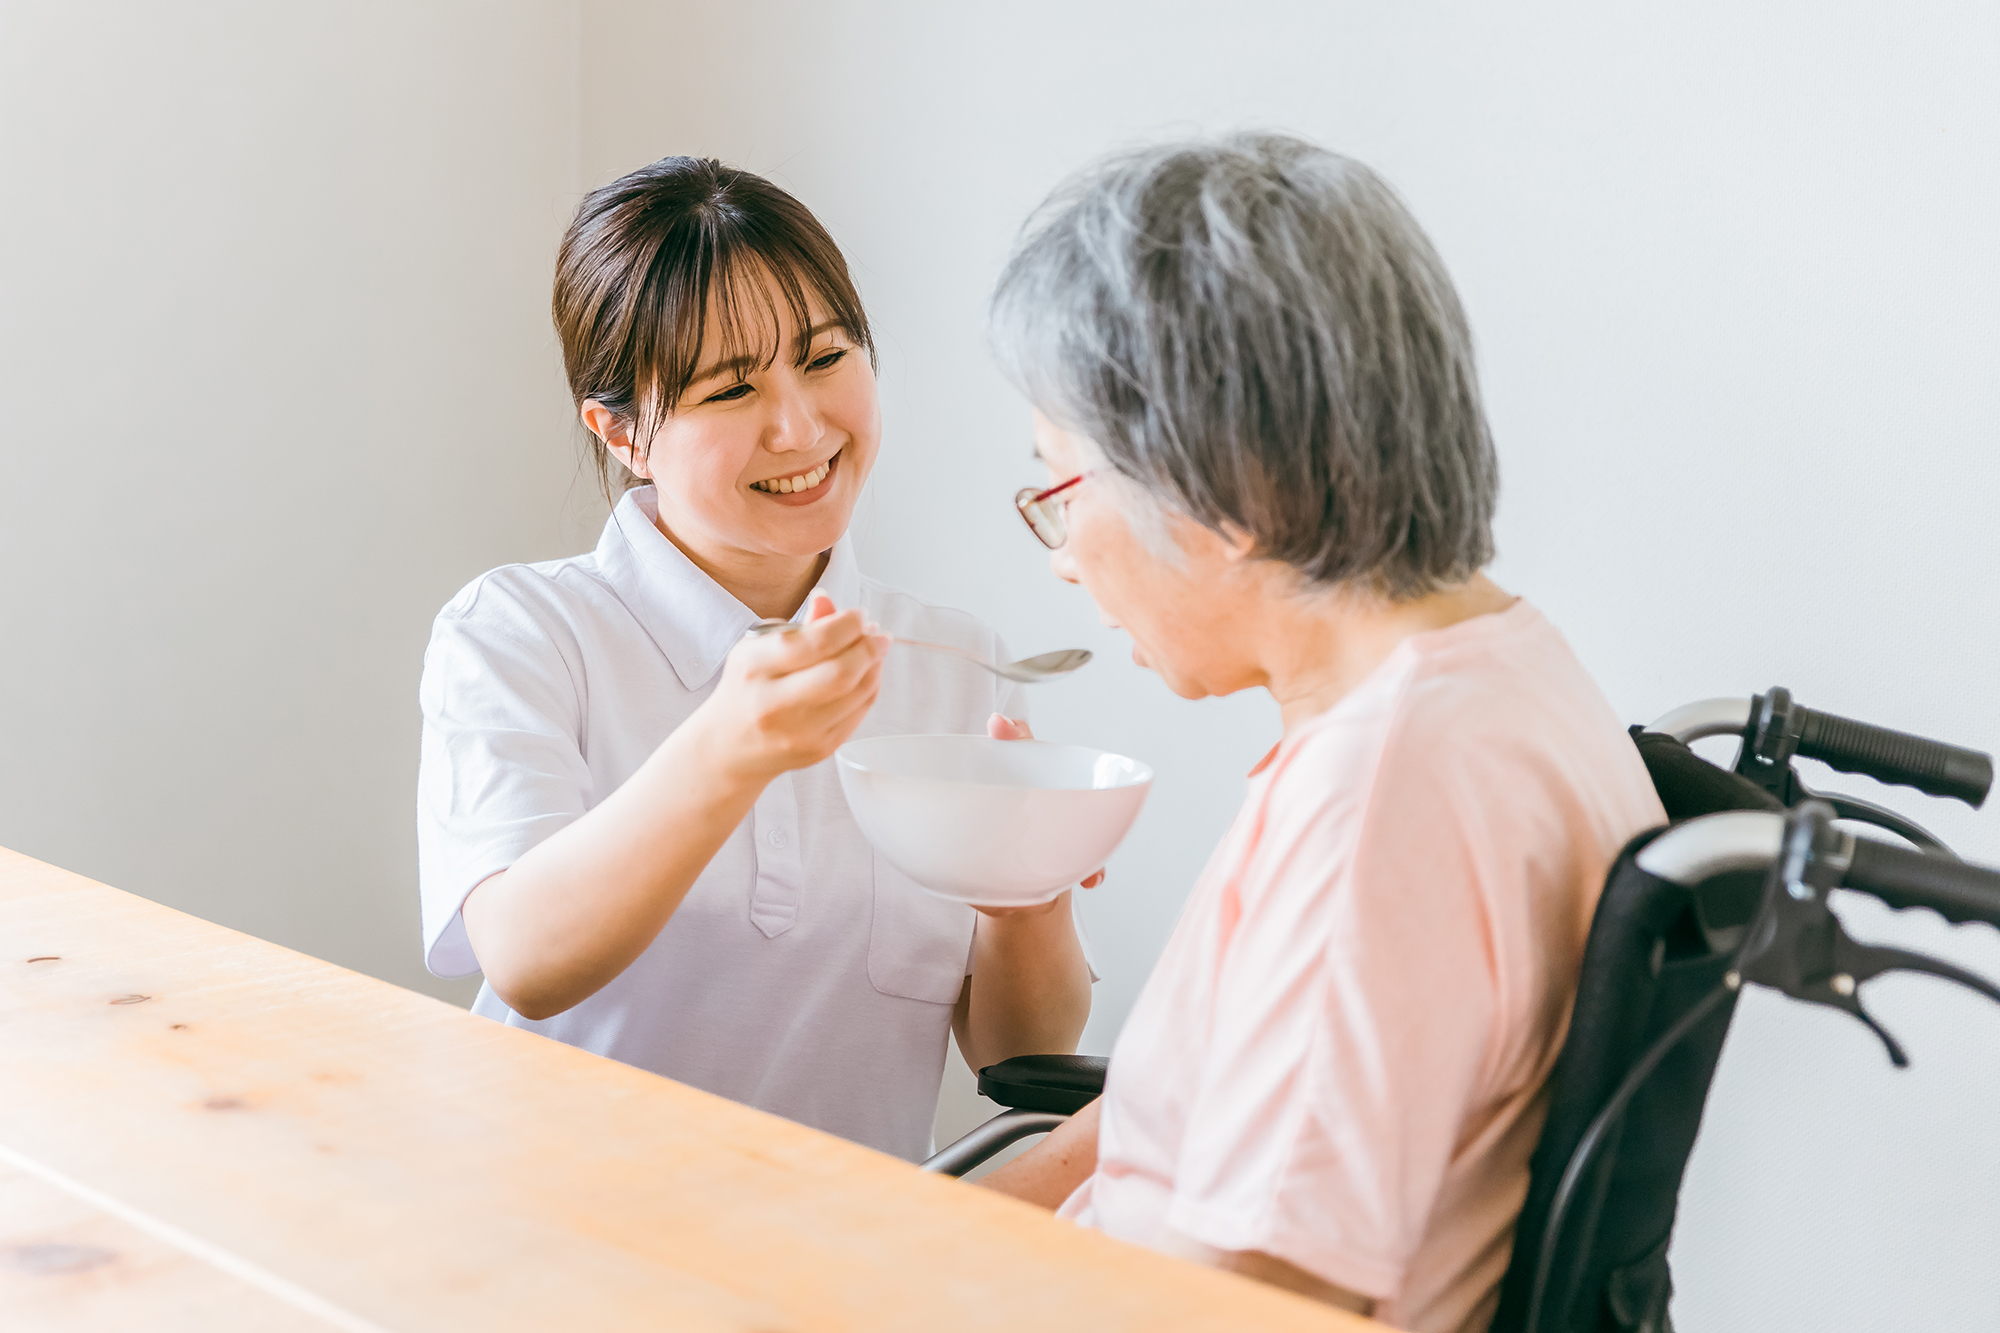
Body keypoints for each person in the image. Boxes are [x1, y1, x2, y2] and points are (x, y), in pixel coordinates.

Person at [975, 135, 1666, 1333]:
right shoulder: (1503, 678)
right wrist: (905, 1229)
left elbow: (1255, 1303)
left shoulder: (1384, 799)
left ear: (1223, 488)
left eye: (1062, 489)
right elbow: (1181, 1123)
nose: (1062, 556)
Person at [416, 156, 1092, 1162]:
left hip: (830, 1269)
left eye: (824, 358)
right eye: (730, 388)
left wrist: (1028, 895)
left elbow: (1017, 1052)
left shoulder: (952, 664)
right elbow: (525, 957)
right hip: (552, 1247)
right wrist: (727, 749)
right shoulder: (520, 632)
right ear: (620, 432)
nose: (800, 425)